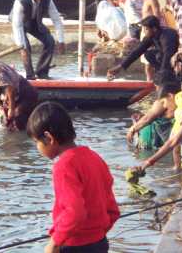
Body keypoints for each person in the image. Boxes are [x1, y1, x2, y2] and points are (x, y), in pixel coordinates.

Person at [26, 102, 120, 253]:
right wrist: (97, 234)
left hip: (74, 246)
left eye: (36, 142)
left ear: (48, 138)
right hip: (100, 243)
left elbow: (74, 212)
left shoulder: (63, 166)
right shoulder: (94, 157)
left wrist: (53, 244)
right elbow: (112, 209)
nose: (38, 148)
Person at [11, 0, 65, 80]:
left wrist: (61, 40)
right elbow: (17, 25)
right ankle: (30, 75)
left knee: (50, 41)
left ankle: (42, 72)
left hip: (35, 22)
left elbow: (57, 20)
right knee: (26, 48)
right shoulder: (20, 0)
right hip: (20, 24)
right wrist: (21, 46)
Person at [107, 16, 179, 82]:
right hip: (166, 57)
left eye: (146, 29)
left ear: (154, 28)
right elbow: (137, 51)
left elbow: (168, 55)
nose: (144, 31)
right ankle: (163, 74)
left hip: (177, 58)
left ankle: (168, 77)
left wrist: (162, 75)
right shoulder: (151, 35)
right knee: (149, 54)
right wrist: (121, 67)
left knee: (160, 56)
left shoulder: (167, 36)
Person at [126, 83, 181, 151]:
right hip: (175, 137)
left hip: (166, 140)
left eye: (156, 87)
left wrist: (132, 130)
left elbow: (147, 119)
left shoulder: (164, 101)